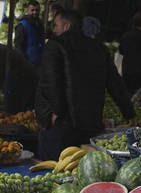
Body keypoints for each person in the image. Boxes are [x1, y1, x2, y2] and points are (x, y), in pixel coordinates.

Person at [36, 10, 133, 160]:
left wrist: (54, 112)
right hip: (90, 121)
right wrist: (128, 112)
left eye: (56, 25)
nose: (54, 30)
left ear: (67, 26)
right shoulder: (99, 48)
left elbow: (50, 82)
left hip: (62, 122)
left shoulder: (55, 46)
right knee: (83, 168)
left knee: (54, 167)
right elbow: (115, 83)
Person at [119, 12, 141, 95]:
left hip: (126, 68)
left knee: (126, 93)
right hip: (138, 71)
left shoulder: (125, 36)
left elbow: (121, 51)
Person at [14, 0, 43, 66]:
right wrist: (24, 62)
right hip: (27, 64)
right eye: (32, 10)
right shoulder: (22, 26)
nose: (35, 12)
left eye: (37, 10)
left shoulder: (40, 24)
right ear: (27, 11)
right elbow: (18, 46)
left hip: (39, 63)